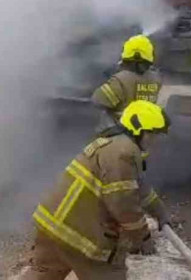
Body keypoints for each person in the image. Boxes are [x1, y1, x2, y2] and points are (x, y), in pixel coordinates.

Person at [20, 100, 172, 280]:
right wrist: (142, 238)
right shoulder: (124, 152)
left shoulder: (113, 144)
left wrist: (160, 211)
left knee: (41, 275)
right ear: (138, 130)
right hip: (80, 237)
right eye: (152, 135)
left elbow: (139, 188)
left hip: (53, 226)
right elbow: (123, 203)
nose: (154, 142)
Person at [91, 35, 162, 134]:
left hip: (120, 133)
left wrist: (113, 77)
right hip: (145, 134)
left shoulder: (120, 80)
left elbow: (97, 100)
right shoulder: (156, 79)